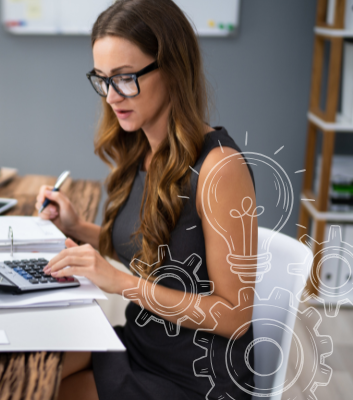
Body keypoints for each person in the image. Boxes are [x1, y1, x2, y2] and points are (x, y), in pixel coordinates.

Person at [36, 0, 257, 399]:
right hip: (144, 340)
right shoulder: (145, 151)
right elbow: (160, 252)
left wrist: (122, 283)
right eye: (102, 79)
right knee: (28, 370)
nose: (111, 96)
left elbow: (236, 316)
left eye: (124, 78)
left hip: (197, 375)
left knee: (42, 388)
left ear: (172, 68)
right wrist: (77, 228)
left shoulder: (219, 167)